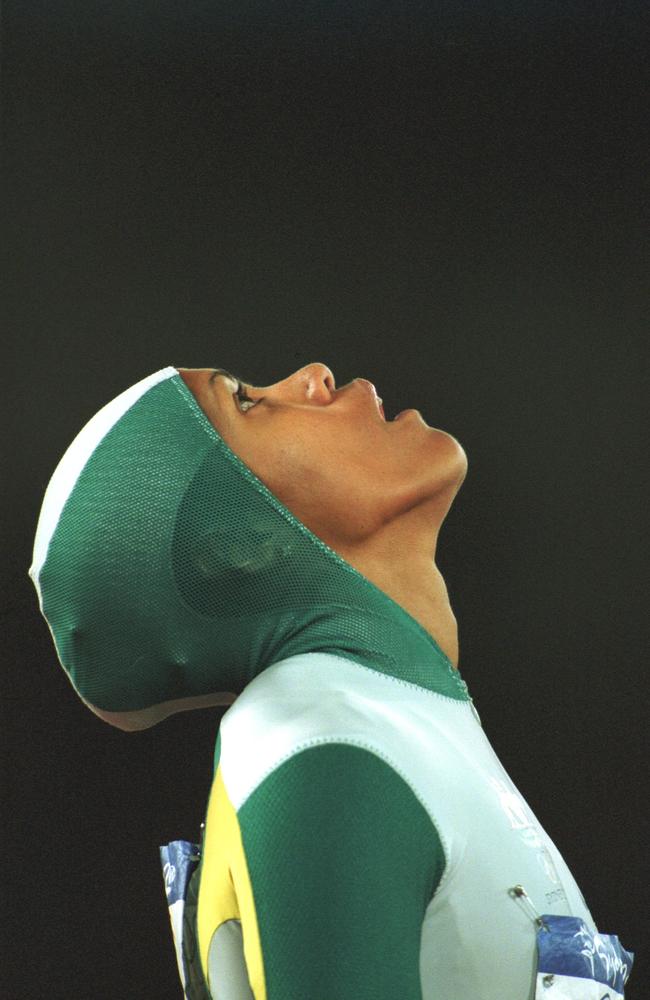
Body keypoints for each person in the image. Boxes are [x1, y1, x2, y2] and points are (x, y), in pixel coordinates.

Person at [28, 363, 635, 999]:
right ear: (241, 544)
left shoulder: (379, 722)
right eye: (248, 401)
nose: (314, 375)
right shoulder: (329, 752)